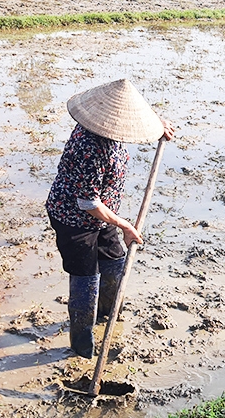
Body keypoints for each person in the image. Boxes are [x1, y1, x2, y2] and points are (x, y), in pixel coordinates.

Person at [46, 79, 175, 358]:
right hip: (74, 218)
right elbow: (88, 202)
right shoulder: (91, 146)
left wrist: (157, 127)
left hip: (103, 216)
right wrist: (125, 225)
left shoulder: (108, 128)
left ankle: (109, 317)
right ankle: (82, 346)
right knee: (86, 279)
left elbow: (137, 122)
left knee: (115, 264)